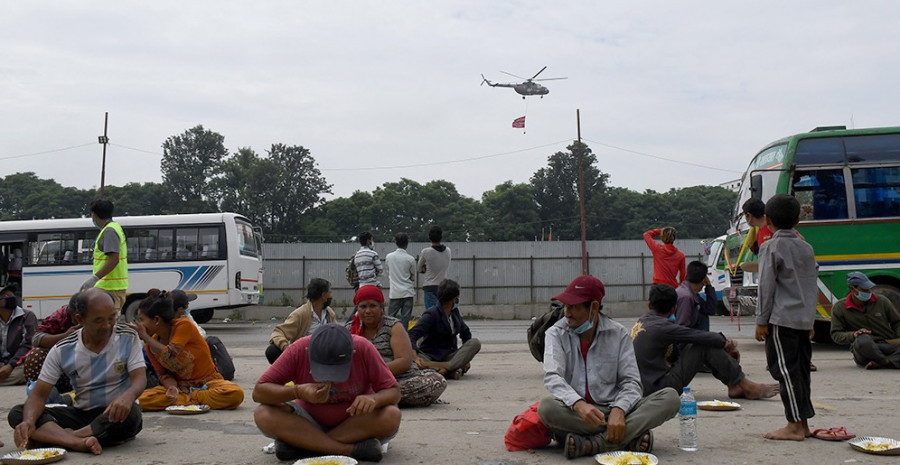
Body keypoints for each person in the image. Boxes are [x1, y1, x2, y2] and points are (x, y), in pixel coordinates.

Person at [538, 275, 680, 459]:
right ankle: (626, 437)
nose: (567, 313)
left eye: (574, 307)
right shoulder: (555, 334)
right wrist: (579, 404)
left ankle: (595, 443)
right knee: (547, 408)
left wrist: (619, 410)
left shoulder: (618, 333)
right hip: (579, 415)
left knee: (670, 398)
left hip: (615, 409)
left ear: (594, 307)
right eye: (566, 306)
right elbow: (553, 377)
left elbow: (631, 382)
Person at [8, 288, 145, 455]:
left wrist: (128, 396)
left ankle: (63, 438)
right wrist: (29, 421)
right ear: (79, 319)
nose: (107, 325)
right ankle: (78, 443)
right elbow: (38, 395)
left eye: (112, 318)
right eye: (98, 320)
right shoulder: (62, 349)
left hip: (115, 416)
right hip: (82, 414)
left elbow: (139, 379)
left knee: (132, 415)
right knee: (19, 413)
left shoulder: (128, 337)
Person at [253, 324, 401, 462]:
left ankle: (305, 446)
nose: (330, 379)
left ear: (352, 353)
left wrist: (374, 399)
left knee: (391, 415)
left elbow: (394, 391)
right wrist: (297, 391)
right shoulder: (298, 349)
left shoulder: (363, 348)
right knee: (263, 414)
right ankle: (348, 450)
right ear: (308, 353)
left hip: (354, 424)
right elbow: (259, 392)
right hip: (307, 422)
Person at [633, 284, 778, 399]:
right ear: (674, 308)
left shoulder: (644, 321)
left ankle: (735, 384)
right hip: (659, 388)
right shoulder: (663, 327)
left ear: (649, 305)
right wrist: (725, 342)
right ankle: (745, 385)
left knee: (698, 345)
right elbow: (698, 336)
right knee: (703, 346)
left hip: (646, 385)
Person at [755, 194, 819, 441]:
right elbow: (811, 285)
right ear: (798, 221)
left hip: (781, 321)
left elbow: (766, 287)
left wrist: (761, 321)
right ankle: (802, 424)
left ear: (767, 220)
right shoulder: (806, 246)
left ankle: (793, 426)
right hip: (803, 320)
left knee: (784, 371)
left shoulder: (770, 246)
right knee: (800, 372)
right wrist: (810, 321)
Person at [128, 290, 244, 411]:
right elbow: (163, 375)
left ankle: (186, 399)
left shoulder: (183, 326)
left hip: (209, 385)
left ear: (157, 320)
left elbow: (170, 353)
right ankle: (185, 399)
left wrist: (145, 337)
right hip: (181, 388)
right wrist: (172, 388)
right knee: (139, 399)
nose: (140, 324)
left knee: (235, 394)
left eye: (141, 320)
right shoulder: (150, 346)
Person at [347, 286, 446, 407]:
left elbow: (404, 362)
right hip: (362, 383)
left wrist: (373, 373)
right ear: (357, 309)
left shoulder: (394, 326)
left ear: (381, 308)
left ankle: (376, 398)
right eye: (363, 306)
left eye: (373, 306)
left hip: (399, 380)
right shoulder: (348, 331)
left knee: (437, 381)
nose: (368, 311)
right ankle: (379, 399)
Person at [408, 279, 480, 380]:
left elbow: (466, 333)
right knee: (421, 364)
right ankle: (452, 369)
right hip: (431, 357)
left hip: (450, 357)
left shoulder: (455, 313)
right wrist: (415, 357)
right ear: (453, 299)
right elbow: (412, 334)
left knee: (475, 343)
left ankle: (444, 371)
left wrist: (465, 359)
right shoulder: (431, 314)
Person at [830, 271, 900, 369]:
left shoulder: (882, 301)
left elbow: (897, 322)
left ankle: (884, 362)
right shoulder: (839, 308)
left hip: (886, 345)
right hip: (864, 350)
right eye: (864, 290)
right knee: (863, 340)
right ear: (852, 289)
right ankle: (886, 361)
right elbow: (836, 335)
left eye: (869, 289)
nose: (868, 293)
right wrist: (854, 334)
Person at [22, 294, 81, 396]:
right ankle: (41, 395)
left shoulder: (99, 320)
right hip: (63, 370)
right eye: (75, 319)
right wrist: (66, 336)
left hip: (89, 370)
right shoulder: (61, 316)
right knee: (36, 355)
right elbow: (36, 338)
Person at [266, 278, 335, 364]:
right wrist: (285, 347)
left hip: (325, 357)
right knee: (272, 351)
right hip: (305, 358)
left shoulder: (330, 314)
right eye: (330, 292)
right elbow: (278, 332)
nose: (331, 296)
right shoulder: (300, 314)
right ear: (324, 295)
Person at [81, 199, 128, 313]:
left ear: (95, 215)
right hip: (111, 287)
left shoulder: (109, 231)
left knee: (108, 325)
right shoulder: (113, 227)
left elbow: (114, 259)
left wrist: (94, 278)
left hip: (110, 288)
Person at [0, 284, 36, 386]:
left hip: (18, 364)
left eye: (11, 295)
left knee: (26, 371)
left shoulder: (27, 316)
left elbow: (29, 344)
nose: (10, 298)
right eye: (5, 296)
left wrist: (11, 365)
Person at [675, 261, 720, 333]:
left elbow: (710, 310)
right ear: (703, 280)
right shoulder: (686, 297)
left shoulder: (692, 294)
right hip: (686, 340)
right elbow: (682, 328)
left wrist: (709, 287)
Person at [384, 232, 417, 329]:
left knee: (390, 318)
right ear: (407, 243)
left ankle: (389, 337)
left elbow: (388, 271)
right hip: (408, 292)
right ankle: (404, 339)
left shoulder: (389, 257)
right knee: (405, 320)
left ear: (396, 242)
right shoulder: (410, 259)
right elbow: (413, 276)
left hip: (395, 293)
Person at [418, 225, 451, 310]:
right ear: (441, 237)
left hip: (430, 287)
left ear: (429, 237)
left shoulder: (426, 251)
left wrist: (424, 268)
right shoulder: (448, 251)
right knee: (443, 313)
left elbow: (418, 269)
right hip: (443, 286)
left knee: (432, 315)